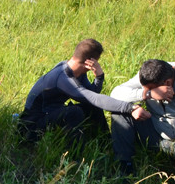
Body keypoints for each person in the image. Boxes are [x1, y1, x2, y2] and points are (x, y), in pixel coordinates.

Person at [18, 39, 149, 142]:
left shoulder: (77, 71)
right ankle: (76, 156)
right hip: (32, 124)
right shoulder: (62, 76)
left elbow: (92, 96)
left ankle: (106, 143)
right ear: (90, 62)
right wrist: (130, 108)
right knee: (74, 112)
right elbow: (92, 98)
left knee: (93, 107)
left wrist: (99, 77)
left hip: (49, 114)